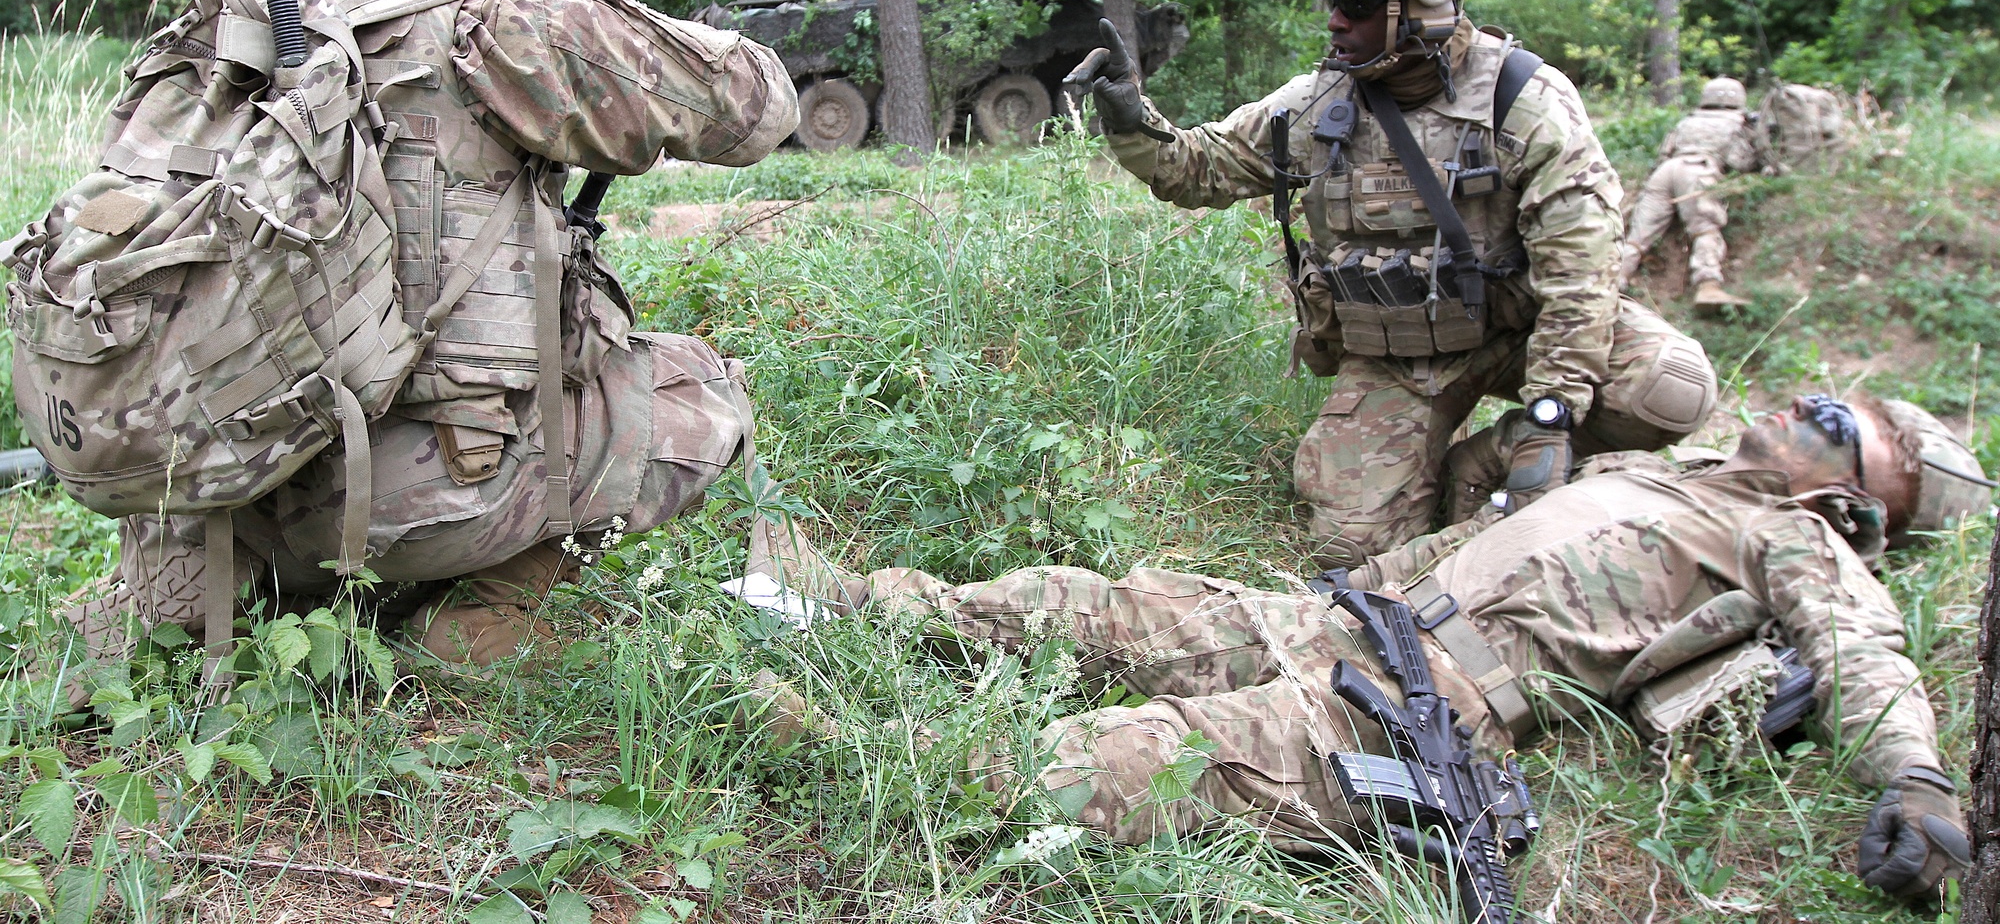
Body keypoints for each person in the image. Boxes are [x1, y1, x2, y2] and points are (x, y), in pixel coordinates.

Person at [45, 0, 799, 672]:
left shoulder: (225, 25)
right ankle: (478, 613)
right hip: (414, 500)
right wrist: (619, 24)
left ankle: (206, 588)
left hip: (214, 483)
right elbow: (757, 107)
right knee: (705, 390)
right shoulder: (504, 15)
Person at [748, 392, 1992, 908]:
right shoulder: (1666, 471)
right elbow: (1476, 539)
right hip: (1359, 619)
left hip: (1428, 700)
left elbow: (1865, 653)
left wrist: (1918, 778)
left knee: (1155, 760)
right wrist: (1344, 589)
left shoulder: (1796, 545)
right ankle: (849, 602)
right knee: (1106, 605)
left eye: (1837, 427)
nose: (1797, 408)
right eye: (1823, 397)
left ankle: (868, 760)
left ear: (1855, 508)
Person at [1068, 0, 1719, 568]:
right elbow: (1197, 169)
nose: (1335, 24)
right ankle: (1441, 467)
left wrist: (1548, 416)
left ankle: (1490, 455)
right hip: (1401, 357)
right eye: (1333, 3)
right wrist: (1127, 113)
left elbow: (1581, 275)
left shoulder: (1523, 103)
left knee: (1672, 386)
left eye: (1355, 6)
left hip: (1517, 334)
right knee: (1350, 545)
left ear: (1420, 6)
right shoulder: (1318, 103)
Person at [1618, 76, 1775, 314]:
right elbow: (1739, 160)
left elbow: (1664, 153)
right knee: (1704, 228)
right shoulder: (1738, 124)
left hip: (1665, 172)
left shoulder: (1688, 122)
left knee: (1638, 237)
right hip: (1698, 171)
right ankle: (1708, 284)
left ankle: (1614, 280)